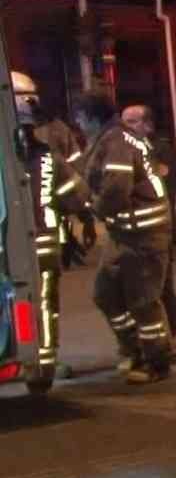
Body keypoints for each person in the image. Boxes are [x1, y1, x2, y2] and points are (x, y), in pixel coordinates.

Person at [85, 104, 176, 384]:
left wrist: (96, 208)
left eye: (80, 118)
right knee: (105, 293)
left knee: (144, 301)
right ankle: (134, 348)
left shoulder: (116, 140)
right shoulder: (118, 139)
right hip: (124, 233)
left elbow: (116, 187)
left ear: (90, 118)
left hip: (144, 236)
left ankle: (157, 362)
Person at [13, 81, 96, 384]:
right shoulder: (49, 156)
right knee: (46, 306)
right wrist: (86, 218)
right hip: (46, 242)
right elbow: (76, 192)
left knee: (15, 304)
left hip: (9, 249)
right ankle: (44, 366)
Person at [132, 108, 176, 344]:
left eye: (133, 122)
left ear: (148, 125)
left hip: (161, 228)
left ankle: (169, 338)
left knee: (162, 287)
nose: (127, 128)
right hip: (141, 231)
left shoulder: (160, 149)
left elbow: (161, 178)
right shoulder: (132, 149)